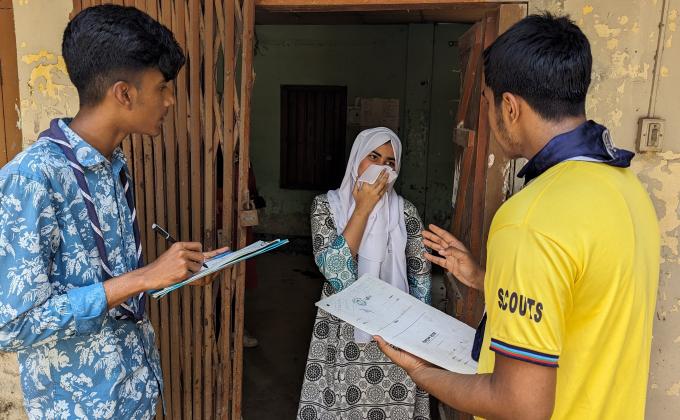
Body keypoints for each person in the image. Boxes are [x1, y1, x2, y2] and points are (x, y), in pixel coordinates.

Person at [376, 13, 660, 420]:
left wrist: (421, 371)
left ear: (509, 107)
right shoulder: (626, 188)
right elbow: (586, 303)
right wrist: (484, 278)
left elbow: (520, 405)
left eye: (487, 102)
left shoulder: (530, 219)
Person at [0, 5, 226, 419]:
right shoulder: (32, 178)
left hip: (135, 396)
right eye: (163, 87)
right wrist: (143, 277)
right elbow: (11, 325)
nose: (170, 100)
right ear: (124, 93)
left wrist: (172, 273)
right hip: (79, 410)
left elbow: (112, 286)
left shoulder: (112, 168)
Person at [297, 128, 432, 420]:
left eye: (390, 162)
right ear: (357, 158)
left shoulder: (405, 212)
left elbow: (420, 276)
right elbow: (335, 269)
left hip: (397, 331)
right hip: (343, 328)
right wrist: (363, 209)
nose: (382, 168)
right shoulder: (326, 206)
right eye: (374, 157)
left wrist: (419, 335)